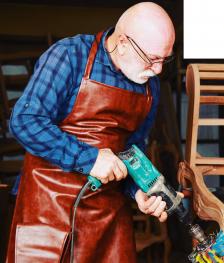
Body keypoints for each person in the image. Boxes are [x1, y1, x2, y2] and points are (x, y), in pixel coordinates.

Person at [6, 2, 177, 263]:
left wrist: (138, 191)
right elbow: (25, 121)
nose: (158, 70)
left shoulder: (149, 85)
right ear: (122, 42)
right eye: (152, 59)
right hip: (48, 208)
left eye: (165, 59)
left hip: (109, 216)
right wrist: (90, 159)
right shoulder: (70, 55)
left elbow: (131, 151)